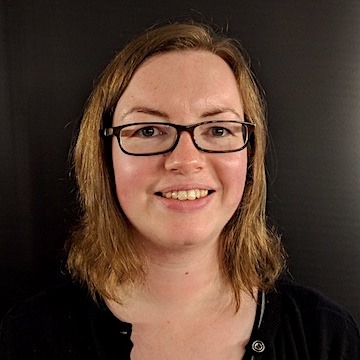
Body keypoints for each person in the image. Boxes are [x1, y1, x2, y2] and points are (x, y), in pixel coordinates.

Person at [0, 22, 359, 360]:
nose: (185, 161)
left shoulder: (326, 336)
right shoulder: (30, 337)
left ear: (250, 155)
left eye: (218, 130)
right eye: (148, 130)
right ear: (103, 158)